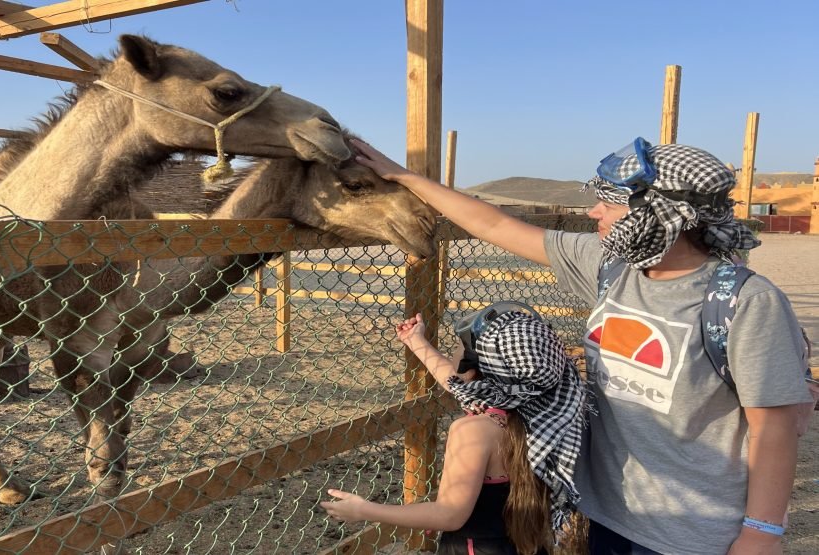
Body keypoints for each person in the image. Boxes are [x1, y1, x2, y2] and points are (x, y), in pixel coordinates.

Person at [348, 137, 815, 555]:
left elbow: (772, 428)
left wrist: (762, 532)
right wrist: (403, 175)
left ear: (662, 216)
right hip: (606, 513)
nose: (595, 213)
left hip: (690, 530)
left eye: (610, 206)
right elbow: (494, 225)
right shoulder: (610, 268)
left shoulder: (746, 302)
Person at [321, 305, 588, 555]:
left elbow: (449, 515)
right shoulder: (543, 410)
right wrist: (416, 341)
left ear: (474, 367)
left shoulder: (473, 431)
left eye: (460, 348)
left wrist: (365, 510)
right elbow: (457, 381)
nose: (454, 354)